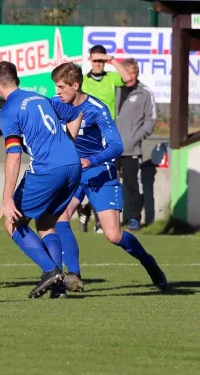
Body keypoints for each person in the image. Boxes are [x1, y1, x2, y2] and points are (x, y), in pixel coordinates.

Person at [50, 62, 167, 295]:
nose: (57, 92)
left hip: (100, 173)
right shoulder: (56, 104)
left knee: (113, 235)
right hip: (74, 174)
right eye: (56, 86)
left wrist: (90, 161)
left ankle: (149, 263)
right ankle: (73, 275)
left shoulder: (97, 109)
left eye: (62, 87)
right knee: (59, 217)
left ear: (76, 85)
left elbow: (117, 146)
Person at [0, 61, 84, 299]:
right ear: (17, 80)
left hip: (47, 169)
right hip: (73, 165)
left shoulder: (8, 110)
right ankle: (58, 287)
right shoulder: (41, 98)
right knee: (45, 223)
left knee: (12, 222)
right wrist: (66, 146)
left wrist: (7, 199)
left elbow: (13, 155)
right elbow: (75, 113)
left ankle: (50, 271)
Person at [79, 45, 132, 234]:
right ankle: (92, 213)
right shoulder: (83, 80)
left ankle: (95, 214)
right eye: (95, 60)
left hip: (107, 136)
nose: (98, 64)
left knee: (108, 174)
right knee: (87, 173)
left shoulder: (110, 77)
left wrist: (111, 59)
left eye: (101, 61)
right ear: (90, 61)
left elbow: (128, 78)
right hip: (89, 137)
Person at [115, 58, 157, 231]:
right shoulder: (114, 89)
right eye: (129, 72)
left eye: (135, 73)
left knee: (133, 185)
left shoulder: (144, 92)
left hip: (132, 148)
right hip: (110, 148)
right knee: (110, 184)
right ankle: (109, 220)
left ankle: (134, 219)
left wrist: (137, 136)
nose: (132, 76)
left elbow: (151, 119)